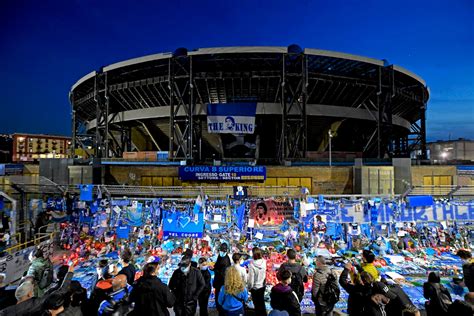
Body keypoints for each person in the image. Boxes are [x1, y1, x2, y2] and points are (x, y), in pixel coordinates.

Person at [0, 264, 74, 316]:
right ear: (29, 294)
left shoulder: (4, 310)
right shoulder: (34, 304)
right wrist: (70, 273)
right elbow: (60, 291)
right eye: (32, 290)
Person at [247, 247, 267, 316]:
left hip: (255, 288)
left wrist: (249, 288)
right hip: (262, 286)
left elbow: (251, 280)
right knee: (262, 303)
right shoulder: (264, 262)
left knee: (257, 304)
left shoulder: (251, 265)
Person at [213, 243, 231, 316]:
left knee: (220, 300)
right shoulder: (220, 256)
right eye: (221, 250)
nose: (221, 252)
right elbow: (217, 265)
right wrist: (215, 267)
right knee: (219, 299)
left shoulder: (226, 260)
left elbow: (223, 274)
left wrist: (215, 270)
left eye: (223, 251)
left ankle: (221, 311)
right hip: (218, 282)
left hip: (222, 283)